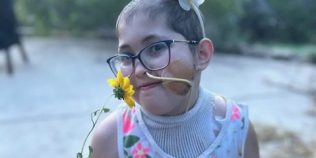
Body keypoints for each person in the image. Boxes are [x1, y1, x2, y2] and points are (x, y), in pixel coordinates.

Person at [92, 0, 260, 158]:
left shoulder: (237, 128)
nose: (139, 70)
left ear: (202, 54)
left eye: (156, 48)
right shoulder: (111, 138)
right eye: (127, 57)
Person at [0, 0, 29, 74]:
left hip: (6, 30)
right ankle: (24, 58)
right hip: (11, 27)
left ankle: (10, 68)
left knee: (5, 35)